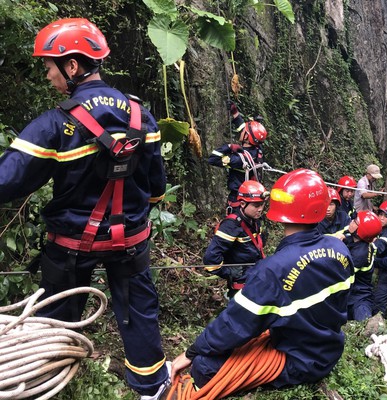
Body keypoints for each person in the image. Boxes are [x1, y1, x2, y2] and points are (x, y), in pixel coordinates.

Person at [0, 18, 170, 399]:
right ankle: (151, 386)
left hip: (70, 245)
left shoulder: (54, 124)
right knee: (139, 313)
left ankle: (47, 384)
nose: (48, 76)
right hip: (131, 242)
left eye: (49, 67)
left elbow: (7, 181)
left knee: (56, 321)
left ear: (72, 66)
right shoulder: (142, 117)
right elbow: (156, 191)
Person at [170, 169, 355, 393]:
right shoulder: (340, 250)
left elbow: (234, 324)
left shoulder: (274, 269)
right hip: (328, 350)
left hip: (298, 360)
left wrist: (192, 352)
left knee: (205, 366)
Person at [203, 180, 268, 298]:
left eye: (262, 204)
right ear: (242, 204)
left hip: (257, 280)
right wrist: (229, 272)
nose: (260, 209)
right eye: (256, 205)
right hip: (242, 289)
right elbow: (210, 260)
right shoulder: (231, 226)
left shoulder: (255, 220)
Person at [208, 100, 267, 212]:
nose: (241, 130)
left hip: (239, 201)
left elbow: (212, 159)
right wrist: (235, 113)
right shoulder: (258, 149)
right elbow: (245, 130)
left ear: (246, 137)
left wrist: (229, 147)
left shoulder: (239, 160)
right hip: (251, 200)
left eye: (244, 131)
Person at [345, 211, 382, 321]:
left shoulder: (361, 253)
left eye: (355, 221)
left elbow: (340, 272)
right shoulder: (354, 240)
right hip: (350, 294)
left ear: (360, 231)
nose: (352, 222)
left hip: (359, 297)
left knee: (365, 326)